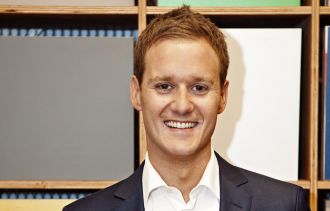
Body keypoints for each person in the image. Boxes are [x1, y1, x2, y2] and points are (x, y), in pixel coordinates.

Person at [64, 6, 310, 211]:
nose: (182, 106)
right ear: (136, 94)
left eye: (199, 88)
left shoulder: (284, 204)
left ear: (223, 96)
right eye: (164, 86)